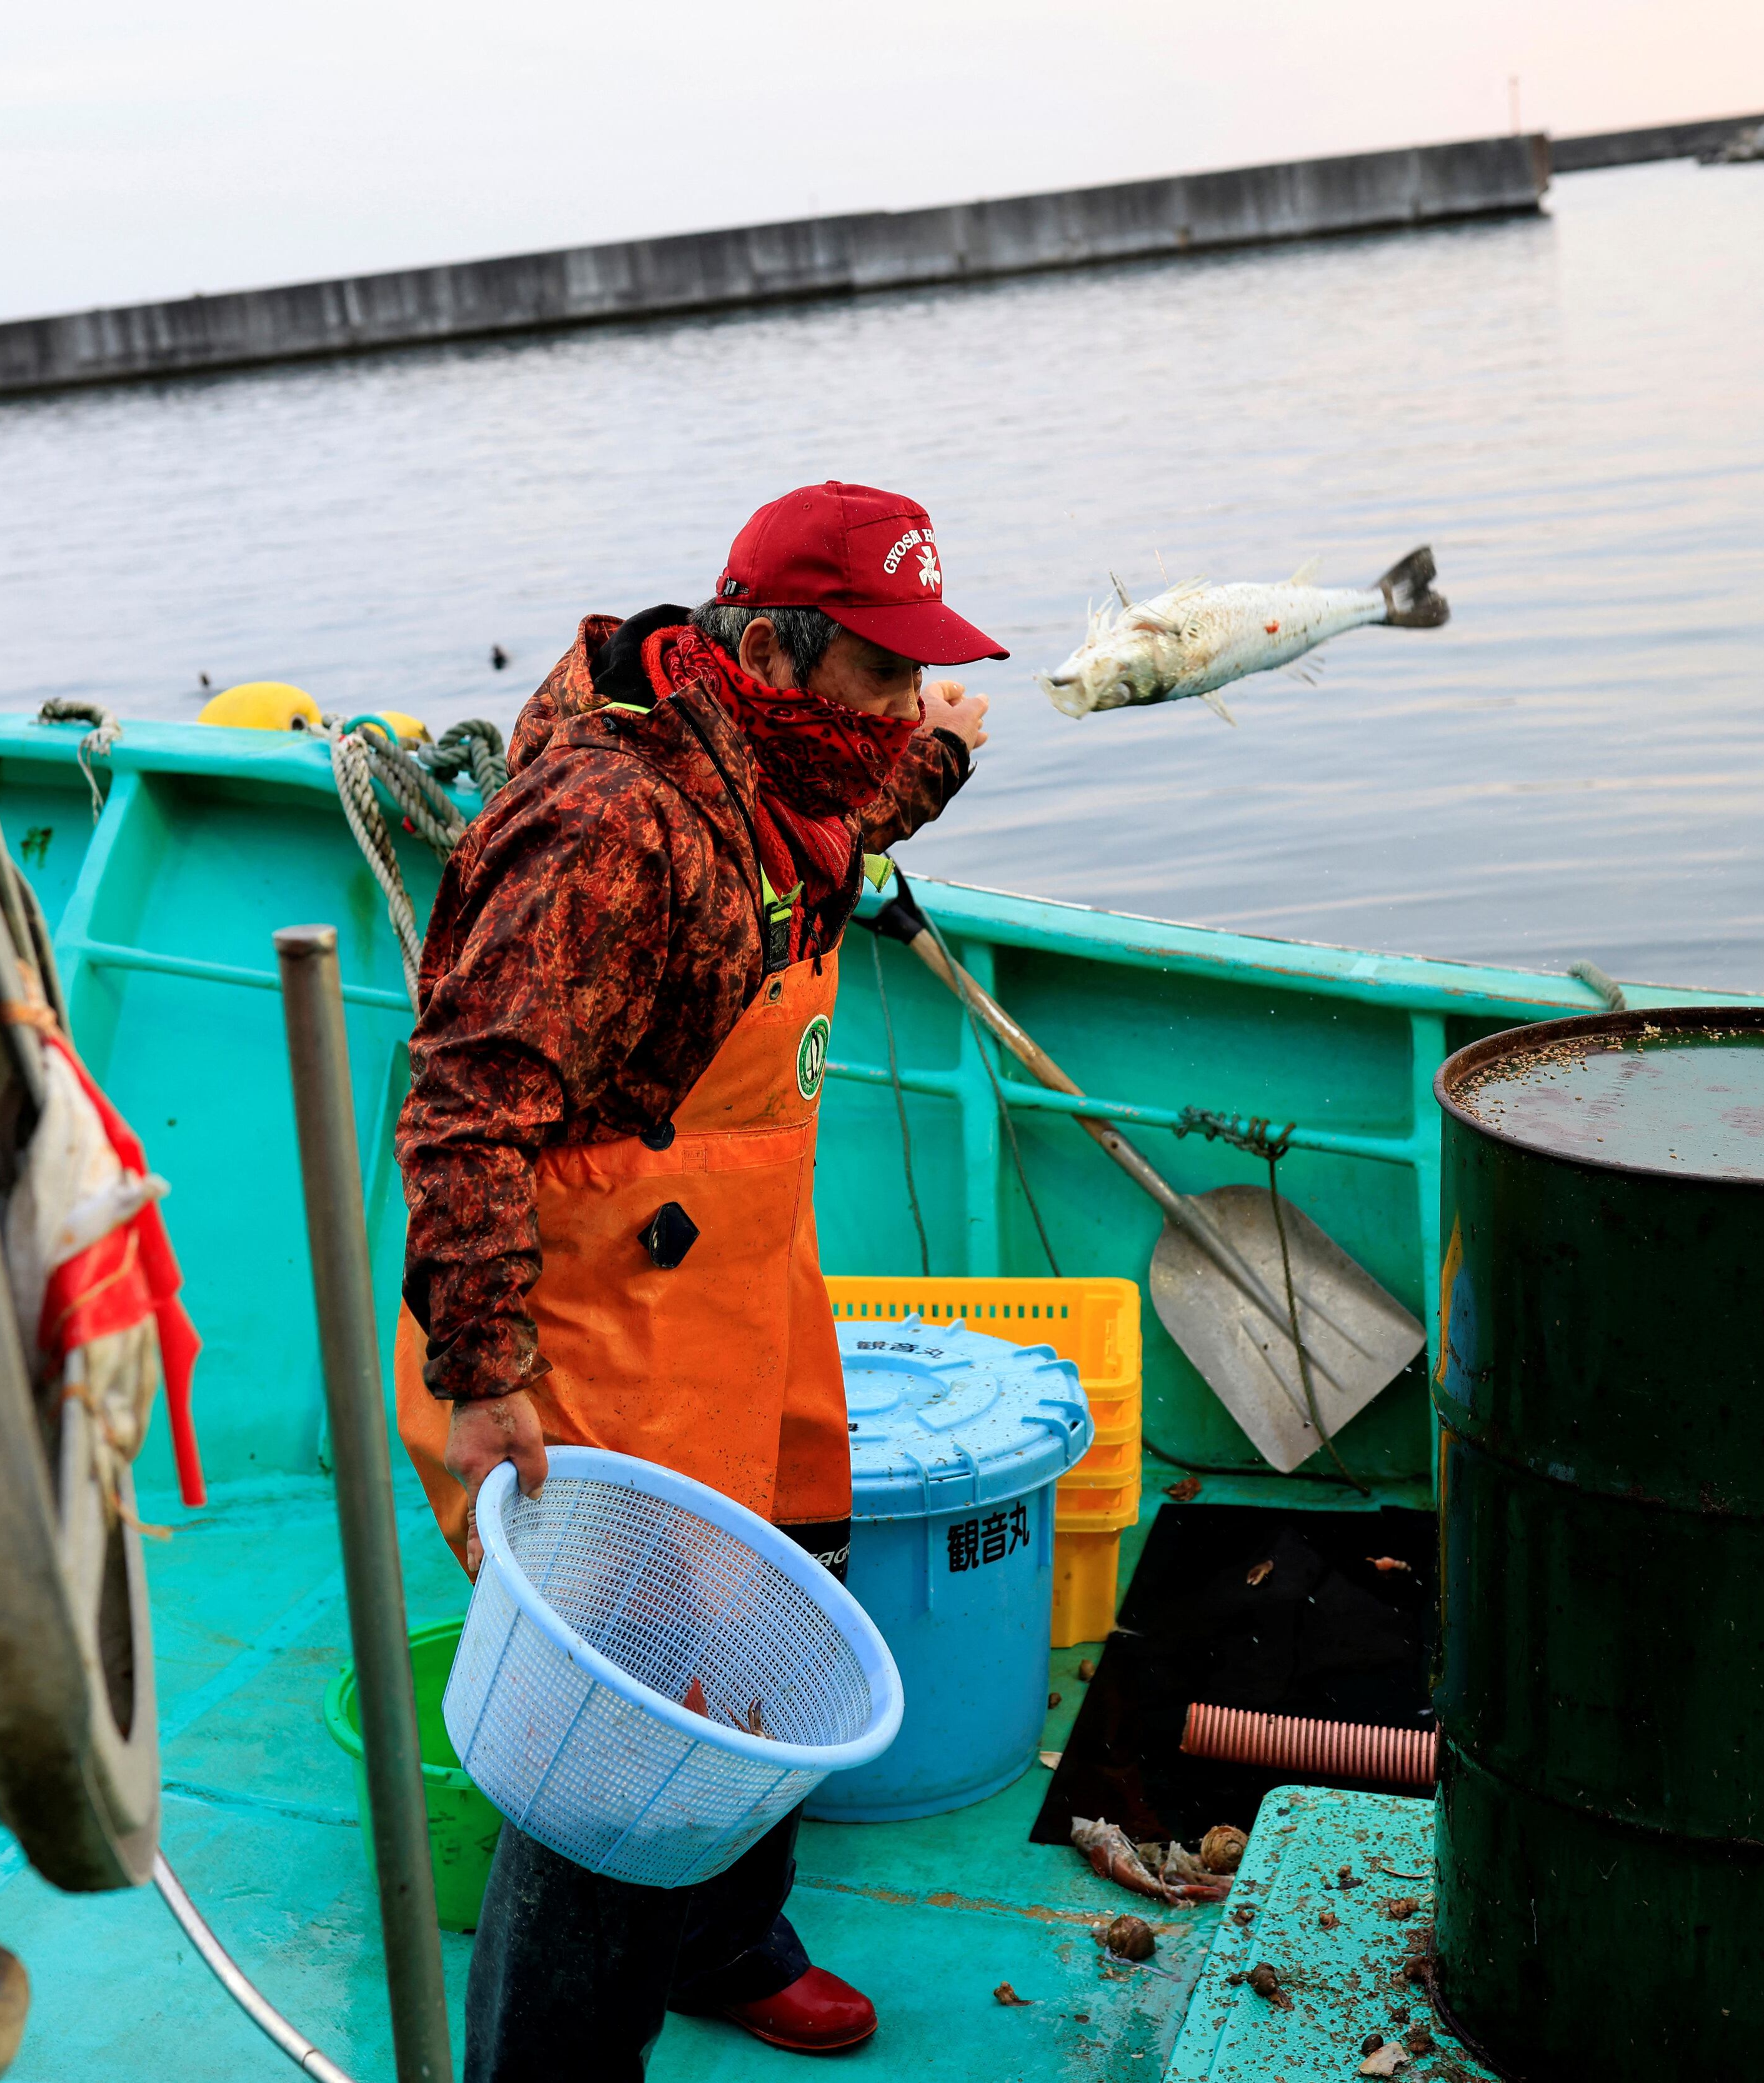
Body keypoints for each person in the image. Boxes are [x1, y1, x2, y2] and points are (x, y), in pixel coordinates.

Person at [392, 481, 1000, 2077]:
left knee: (782, 1614)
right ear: (782, 654)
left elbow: (872, 802)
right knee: (616, 1735)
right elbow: (463, 1100)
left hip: (746, 1298)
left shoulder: (803, 768)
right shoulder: (609, 822)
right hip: (589, 1328)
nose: (908, 711)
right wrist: (484, 1370)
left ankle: (727, 1937)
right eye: (889, 677)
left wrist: (946, 752)